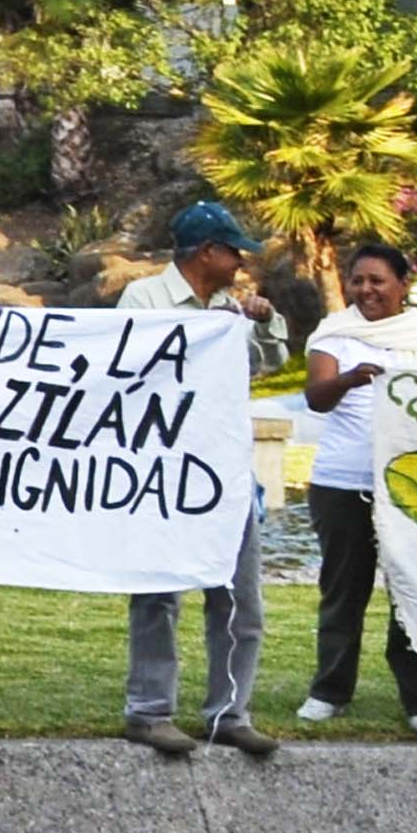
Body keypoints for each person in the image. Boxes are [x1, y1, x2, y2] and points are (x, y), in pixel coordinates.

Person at [114, 201, 289, 757]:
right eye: (234, 251)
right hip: (162, 470)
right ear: (207, 252)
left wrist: (262, 322)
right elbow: (128, 368)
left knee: (239, 600)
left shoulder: (231, 308)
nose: (241, 262)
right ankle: (149, 712)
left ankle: (229, 714)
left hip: (224, 471)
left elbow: (270, 363)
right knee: (158, 595)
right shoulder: (144, 299)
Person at [296, 244, 417, 745]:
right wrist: (350, 380)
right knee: (343, 592)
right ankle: (330, 692)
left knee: (414, 594)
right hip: (343, 485)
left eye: (377, 280)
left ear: (402, 285)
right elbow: (316, 398)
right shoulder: (335, 334)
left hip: (411, 490)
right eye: (358, 280)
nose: (366, 290)